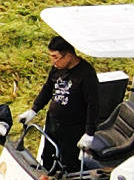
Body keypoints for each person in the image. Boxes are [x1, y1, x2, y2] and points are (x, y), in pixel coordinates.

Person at [34, 35, 101, 172]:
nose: (53, 62)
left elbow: (93, 105)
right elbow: (47, 88)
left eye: (55, 57)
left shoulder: (86, 74)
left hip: (72, 127)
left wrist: (89, 132)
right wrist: (34, 109)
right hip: (53, 121)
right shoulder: (57, 69)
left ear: (68, 56)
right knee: (48, 155)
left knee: (68, 161)